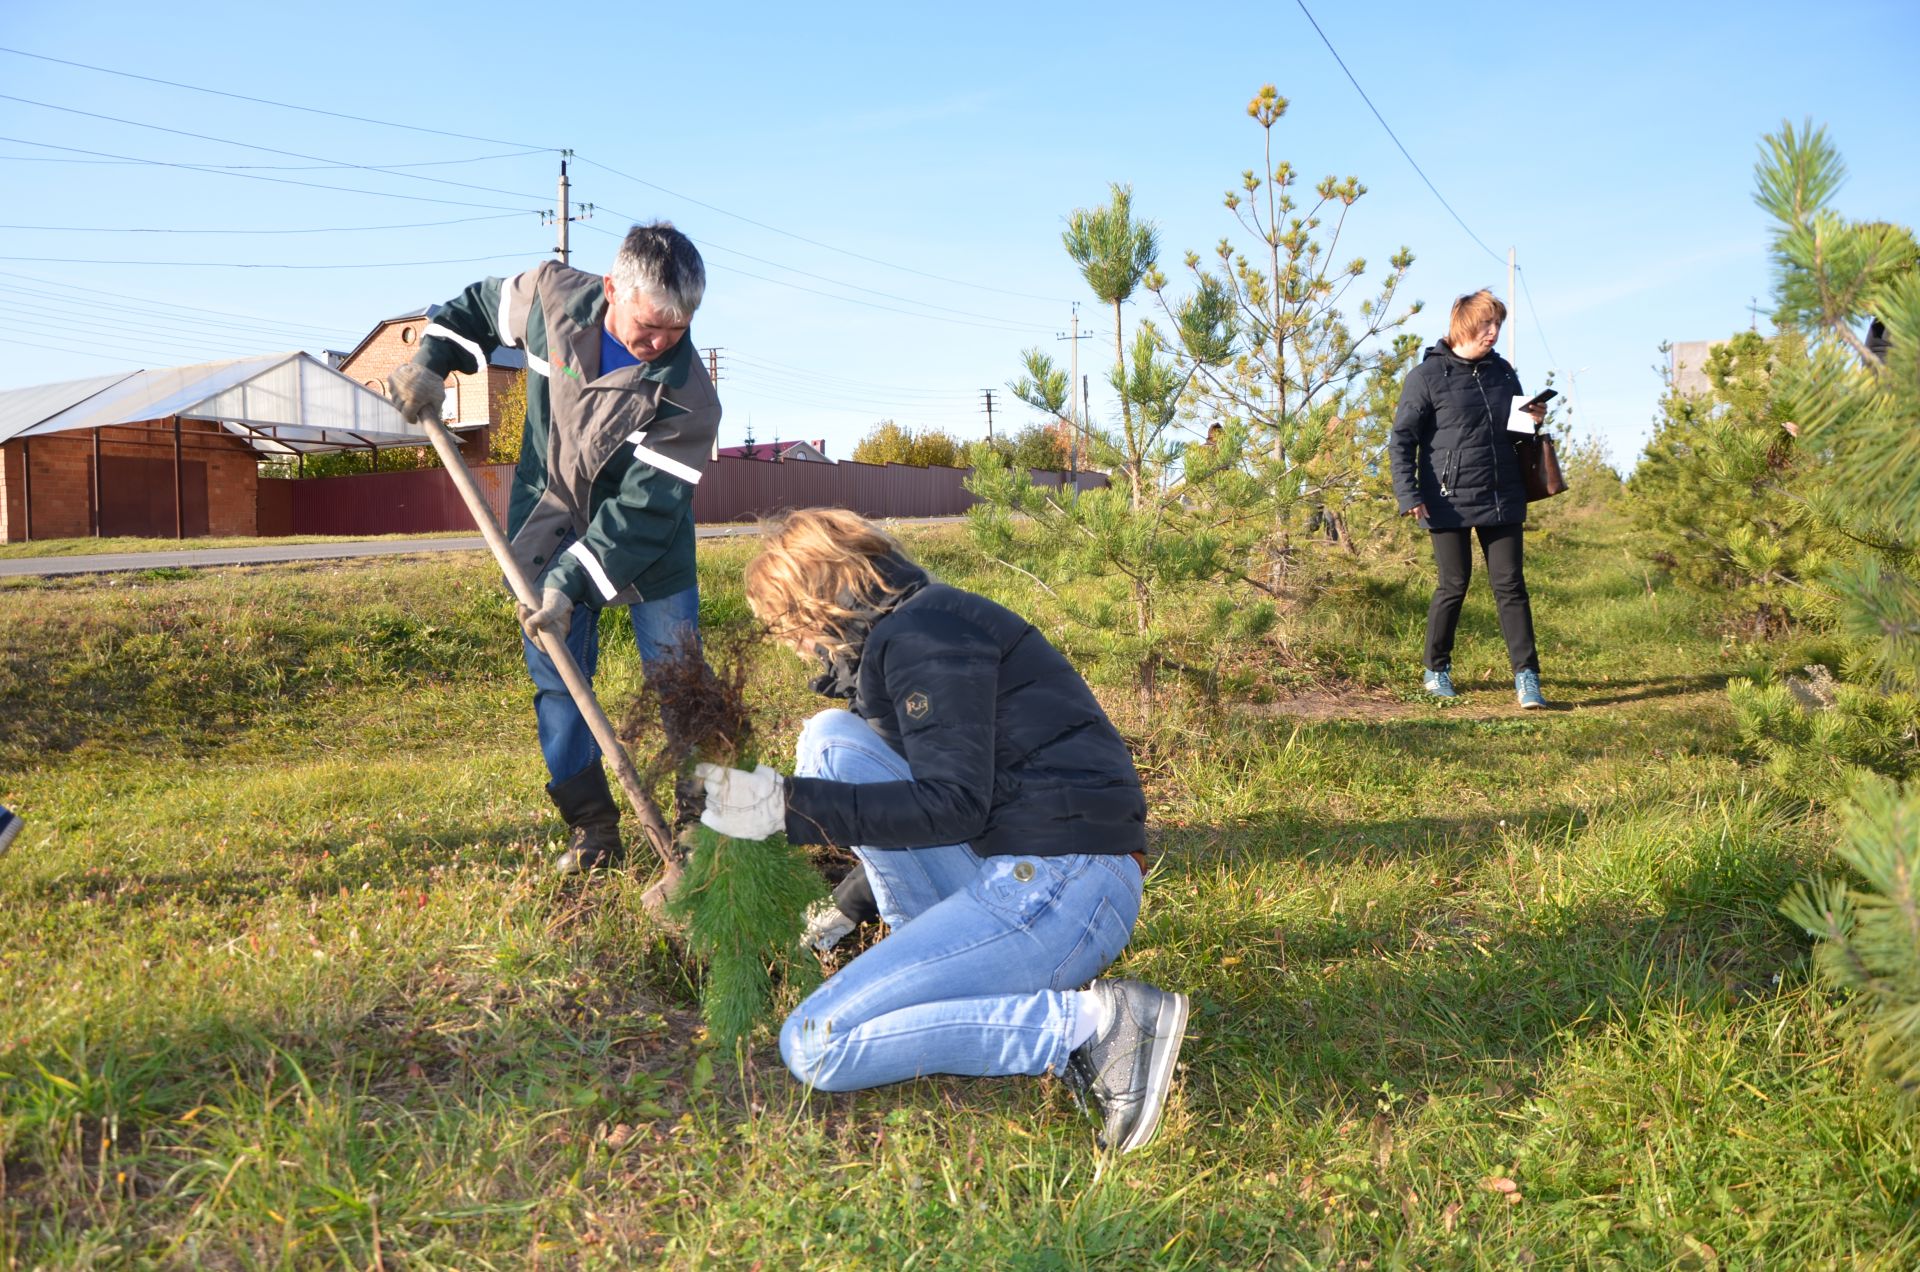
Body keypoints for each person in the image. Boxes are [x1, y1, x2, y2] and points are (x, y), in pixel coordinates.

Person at [693, 509, 1189, 1153]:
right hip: (1032, 872)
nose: (791, 648)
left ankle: (1095, 1026)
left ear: (816, 600)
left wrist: (770, 807)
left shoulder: (924, 637)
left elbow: (948, 807)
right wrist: (847, 906)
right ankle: (922, 952)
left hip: (1062, 883)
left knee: (815, 1043)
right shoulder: (920, 628)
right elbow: (933, 801)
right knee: (832, 739)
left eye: (786, 627)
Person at [386, 223, 721, 873]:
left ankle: (697, 821)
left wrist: (572, 584)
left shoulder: (690, 399)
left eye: (676, 331)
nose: (659, 344)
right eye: (648, 327)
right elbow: (473, 310)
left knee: (680, 682)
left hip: (648, 545)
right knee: (558, 681)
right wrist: (431, 362)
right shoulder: (549, 297)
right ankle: (593, 830)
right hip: (547, 520)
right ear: (609, 290)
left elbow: (643, 516)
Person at [1388, 288, 1548, 709]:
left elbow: (1516, 435)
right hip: (1447, 498)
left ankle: (1527, 677)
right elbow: (1402, 440)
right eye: (1486, 324)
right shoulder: (1425, 377)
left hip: (1503, 492)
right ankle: (1436, 670)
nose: (1493, 332)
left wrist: (1533, 421)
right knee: (1453, 585)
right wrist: (1409, 493)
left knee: (1510, 585)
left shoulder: (1504, 373)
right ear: (1463, 325)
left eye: (1498, 324)